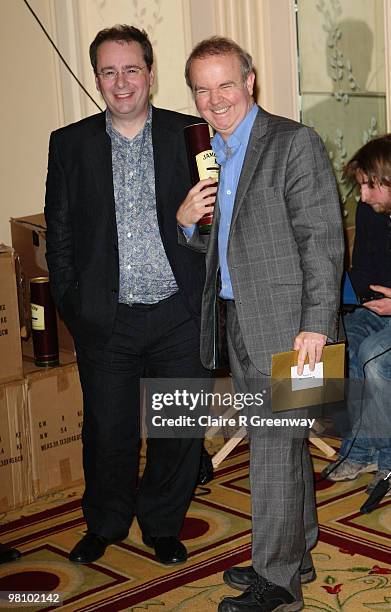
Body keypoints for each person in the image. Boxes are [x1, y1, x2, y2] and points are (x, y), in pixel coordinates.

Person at [177, 37, 344, 611]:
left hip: (295, 329)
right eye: (202, 88)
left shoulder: (293, 144)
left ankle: (277, 585)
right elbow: (221, 244)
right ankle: (293, 552)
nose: (214, 98)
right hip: (239, 320)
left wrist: (317, 325)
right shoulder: (210, 152)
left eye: (225, 84)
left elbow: (321, 241)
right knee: (284, 446)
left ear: (250, 81)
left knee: (273, 445)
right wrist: (188, 224)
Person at [45, 25, 208, 566]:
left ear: (151, 73)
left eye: (131, 69)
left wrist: (189, 229)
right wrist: (74, 304)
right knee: (108, 434)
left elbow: (219, 225)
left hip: (178, 316)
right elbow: (60, 233)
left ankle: (162, 523)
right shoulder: (70, 144)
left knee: (176, 431)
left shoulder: (193, 135)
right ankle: (107, 524)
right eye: (108, 72)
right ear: (97, 78)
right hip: (106, 320)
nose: (120, 82)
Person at [323, 136, 391, 498]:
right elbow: (362, 268)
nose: (362, 196)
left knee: (373, 360)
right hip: (380, 308)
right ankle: (362, 451)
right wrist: (367, 297)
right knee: (340, 340)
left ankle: (386, 457)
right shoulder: (370, 211)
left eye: (369, 185)